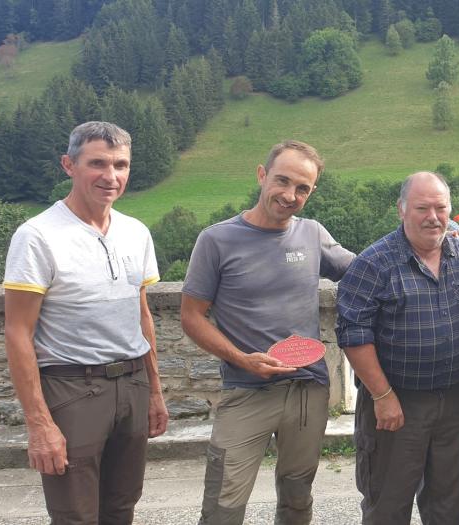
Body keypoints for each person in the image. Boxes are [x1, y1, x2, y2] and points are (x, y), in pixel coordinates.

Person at [181, 140, 355, 524]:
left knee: (297, 496)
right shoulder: (216, 240)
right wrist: (241, 359)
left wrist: (434, 238)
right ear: (262, 175)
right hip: (246, 390)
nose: (290, 195)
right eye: (282, 181)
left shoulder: (312, 234)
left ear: (312, 192)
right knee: (223, 504)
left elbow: (365, 270)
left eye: (302, 188)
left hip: (308, 388)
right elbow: (191, 317)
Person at [3, 121, 168, 523]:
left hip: (131, 384)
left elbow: (141, 314)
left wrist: (155, 391)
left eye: (121, 165)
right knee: (75, 514)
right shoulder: (38, 236)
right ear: (69, 165)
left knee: (122, 506)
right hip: (72, 389)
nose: (110, 177)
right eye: (97, 163)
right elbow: (17, 332)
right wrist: (40, 425)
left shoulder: (136, 232)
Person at [336, 171, 459, 525]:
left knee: (450, 506)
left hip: (456, 402)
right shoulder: (373, 263)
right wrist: (382, 396)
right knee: (387, 504)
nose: (433, 216)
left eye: (441, 207)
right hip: (396, 403)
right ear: (401, 210)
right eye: (422, 207)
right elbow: (353, 334)